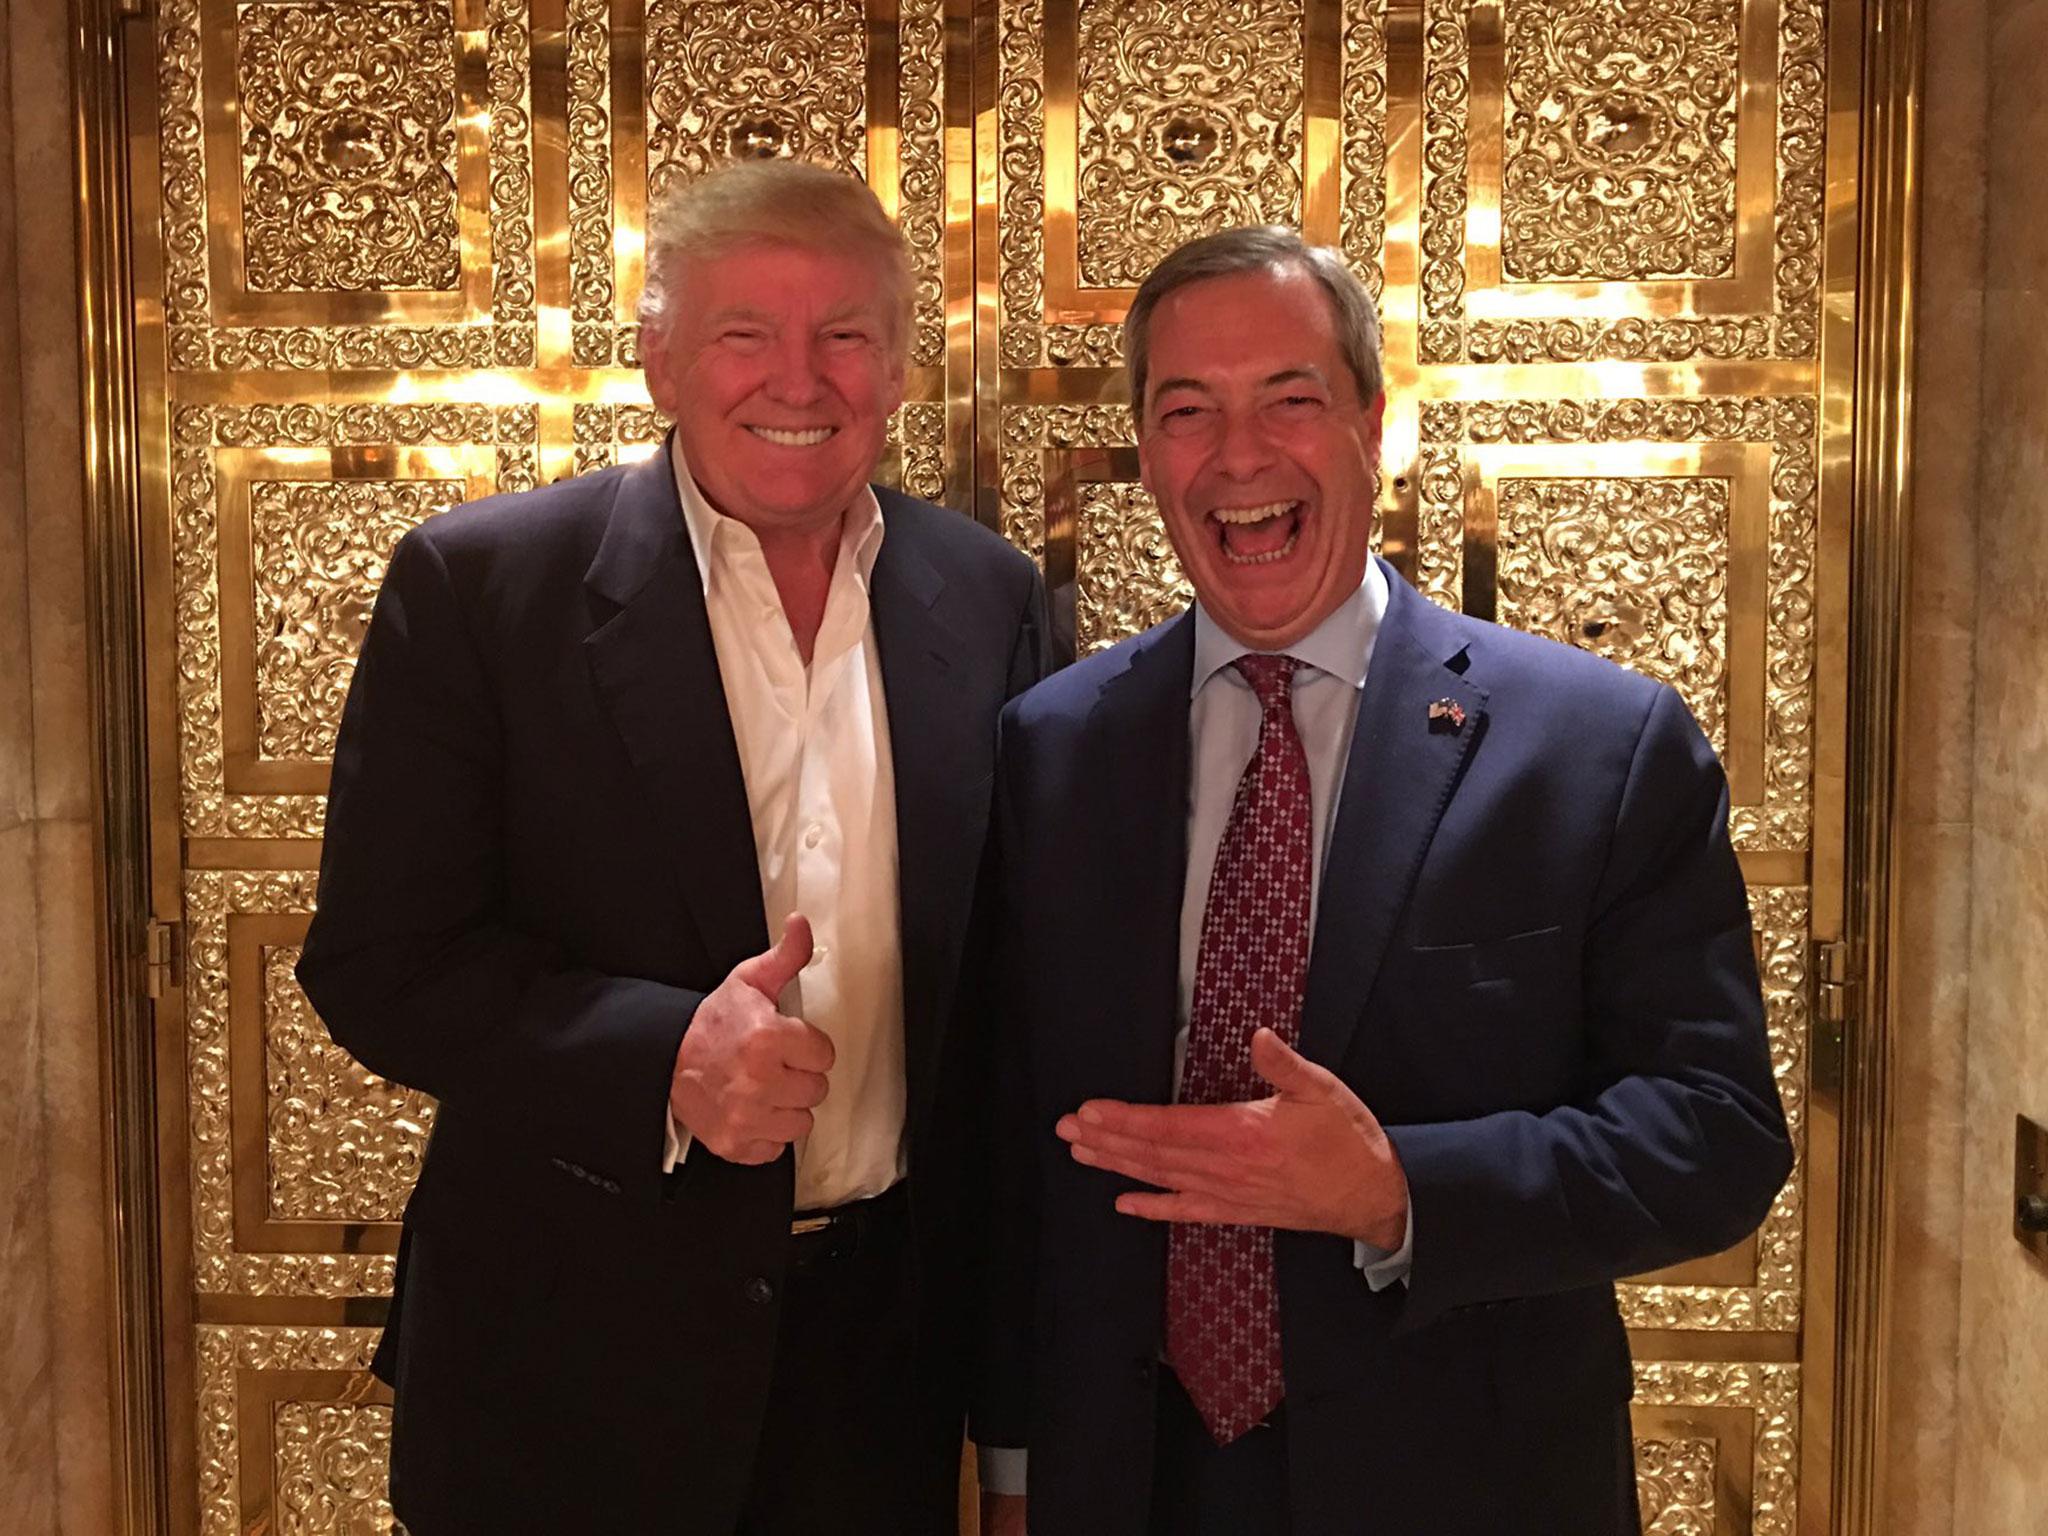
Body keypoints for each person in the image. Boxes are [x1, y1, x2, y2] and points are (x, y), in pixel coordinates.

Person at [973, 226, 1793, 1535]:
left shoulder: (1598, 744)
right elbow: (1016, 1150)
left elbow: (1716, 1140)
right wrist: (1011, 1467)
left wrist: (1400, 1187)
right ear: (1147, 449)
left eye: (1289, 399)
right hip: (1132, 1481)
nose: (1238, 456)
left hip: (1465, 1484)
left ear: (1371, 421)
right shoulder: (1055, 747)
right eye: (1189, 411)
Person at [297, 160, 1047, 1536]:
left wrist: (1013, 1426)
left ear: (897, 369)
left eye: (843, 336)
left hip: (880, 1376)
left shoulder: (989, 597)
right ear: (658, 362)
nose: (797, 379)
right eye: (743, 334)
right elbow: (377, 964)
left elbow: (1008, 1016)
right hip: (565, 1377)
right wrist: (661, 1058)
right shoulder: (483, 587)